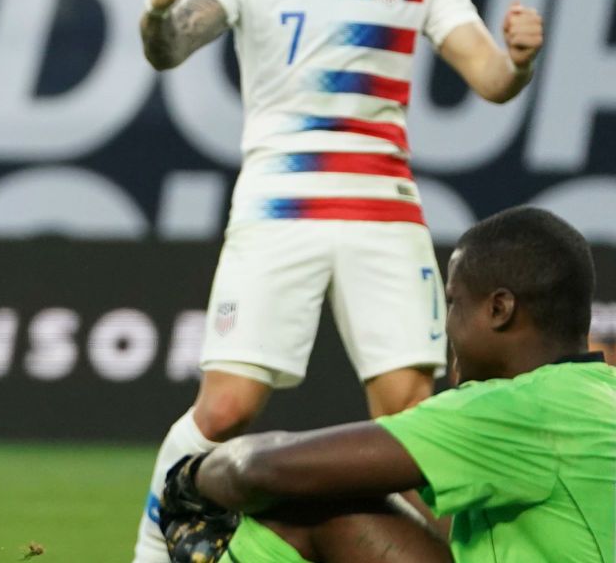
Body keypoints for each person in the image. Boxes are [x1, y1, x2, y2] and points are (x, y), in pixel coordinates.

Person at [128, 0, 546, 563]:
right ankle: (152, 555)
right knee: (224, 408)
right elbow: (169, 47)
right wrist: (157, 10)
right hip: (277, 204)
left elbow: (489, 79)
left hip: (382, 209)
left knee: (413, 417)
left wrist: (519, 61)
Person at [158, 206, 612, 563]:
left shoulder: (517, 408)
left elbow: (262, 468)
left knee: (306, 505)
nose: (446, 324)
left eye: (453, 302)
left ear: (499, 309)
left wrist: (189, 479)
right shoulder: (596, 393)